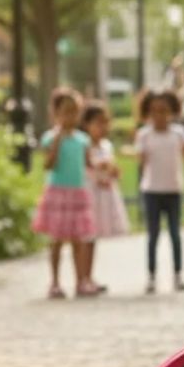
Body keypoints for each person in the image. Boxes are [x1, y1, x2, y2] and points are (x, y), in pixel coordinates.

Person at [32, 88, 97, 299]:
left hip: (77, 193)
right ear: (56, 113)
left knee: (78, 241)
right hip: (57, 193)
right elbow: (49, 165)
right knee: (57, 241)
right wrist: (58, 141)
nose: (70, 117)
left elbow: (89, 165)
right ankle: (55, 282)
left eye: (74, 112)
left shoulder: (82, 140)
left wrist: (105, 168)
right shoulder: (50, 138)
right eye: (66, 112)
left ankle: (80, 281)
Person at [135, 89, 184, 294]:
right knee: (153, 235)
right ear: (148, 113)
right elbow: (140, 163)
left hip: (173, 189)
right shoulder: (144, 135)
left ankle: (178, 275)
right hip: (152, 190)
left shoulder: (179, 133)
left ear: (172, 111)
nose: (160, 116)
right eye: (155, 111)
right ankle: (151, 276)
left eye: (164, 111)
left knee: (175, 234)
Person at [81, 100, 129, 292]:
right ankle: (82, 277)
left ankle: (89, 276)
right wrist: (97, 173)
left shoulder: (106, 146)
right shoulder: (84, 146)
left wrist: (113, 173)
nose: (103, 127)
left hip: (103, 194)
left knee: (93, 238)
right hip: (90, 194)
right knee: (86, 237)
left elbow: (112, 168)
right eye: (98, 123)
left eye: (105, 122)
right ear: (87, 124)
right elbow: (84, 169)